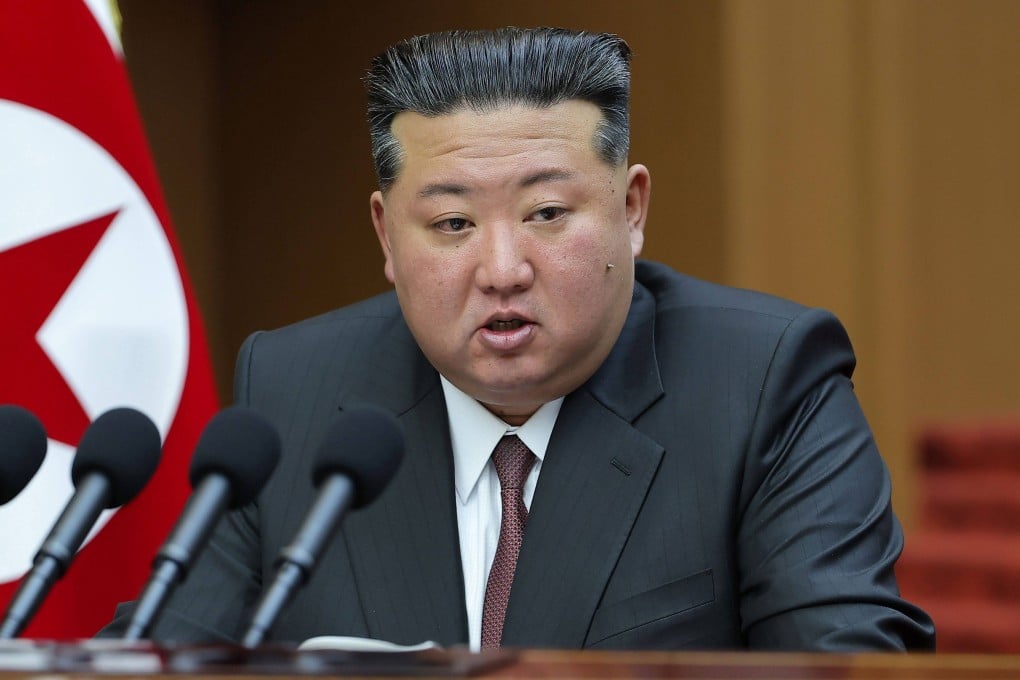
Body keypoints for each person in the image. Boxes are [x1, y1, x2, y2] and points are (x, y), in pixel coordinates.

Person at [103, 27, 935, 650]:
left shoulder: (762, 383)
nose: (502, 269)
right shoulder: (296, 390)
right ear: (388, 236)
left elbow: (845, 664)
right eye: (453, 223)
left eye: (546, 215)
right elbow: (162, 656)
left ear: (630, 210)